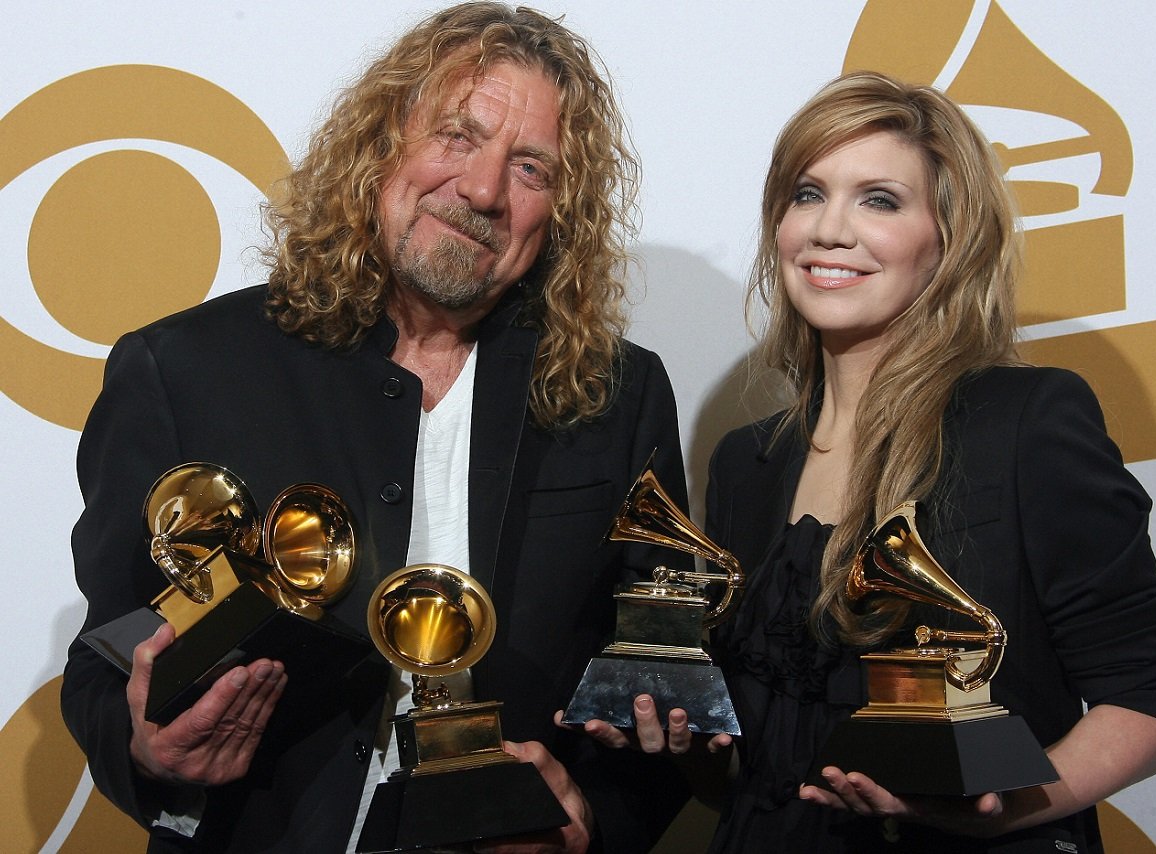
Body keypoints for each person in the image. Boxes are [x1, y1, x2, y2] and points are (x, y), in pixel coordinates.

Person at [60, 4, 691, 852]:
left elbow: (661, 684)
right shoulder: (184, 370)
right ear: (383, 139)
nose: (483, 191)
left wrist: (594, 822)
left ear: (561, 213)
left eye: (531, 168)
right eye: (458, 135)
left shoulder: (620, 394)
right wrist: (148, 750)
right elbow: (107, 660)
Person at [607, 71, 1156, 852]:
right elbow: (751, 774)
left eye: (880, 200)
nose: (830, 230)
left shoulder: (1026, 424)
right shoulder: (747, 463)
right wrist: (686, 746)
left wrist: (999, 809)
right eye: (808, 194)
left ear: (948, 242)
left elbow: (1152, 703)